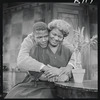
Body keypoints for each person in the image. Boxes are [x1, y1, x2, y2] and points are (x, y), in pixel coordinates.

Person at [5, 20, 74, 98]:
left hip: (59, 85)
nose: (55, 38)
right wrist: (47, 70)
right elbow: (25, 64)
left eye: (59, 36)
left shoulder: (67, 49)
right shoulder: (35, 45)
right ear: (49, 32)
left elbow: (76, 59)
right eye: (54, 34)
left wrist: (65, 71)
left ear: (63, 38)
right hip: (38, 83)